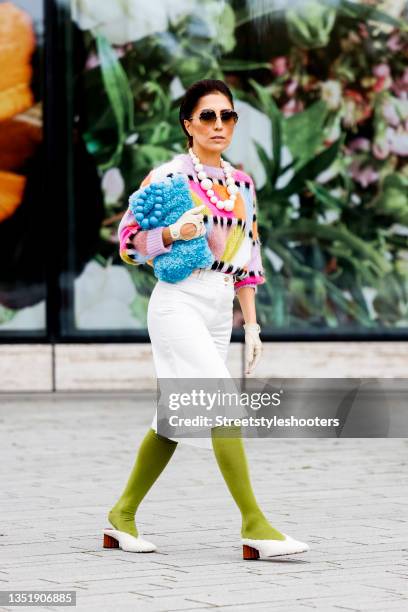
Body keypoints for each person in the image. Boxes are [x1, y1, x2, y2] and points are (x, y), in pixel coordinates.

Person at [103, 79, 309, 559]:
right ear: (188, 124)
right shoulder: (168, 177)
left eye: (228, 116)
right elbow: (129, 246)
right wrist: (173, 232)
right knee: (221, 404)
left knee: (176, 417)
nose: (219, 125)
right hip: (178, 299)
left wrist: (252, 325)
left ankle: (121, 516)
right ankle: (255, 526)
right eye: (208, 116)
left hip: (219, 307)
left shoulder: (241, 185)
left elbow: (249, 258)